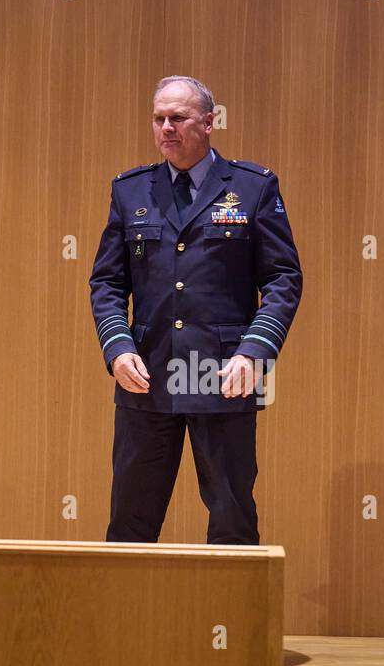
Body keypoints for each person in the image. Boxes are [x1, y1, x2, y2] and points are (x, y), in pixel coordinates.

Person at [89, 75, 302, 544]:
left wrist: (254, 353)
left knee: (232, 516)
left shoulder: (252, 188)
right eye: (159, 118)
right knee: (130, 519)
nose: (166, 127)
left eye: (178, 118)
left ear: (209, 122)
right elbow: (107, 281)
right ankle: (124, 620)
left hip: (223, 372)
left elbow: (283, 278)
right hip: (147, 372)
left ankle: (231, 620)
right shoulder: (130, 190)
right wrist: (117, 348)